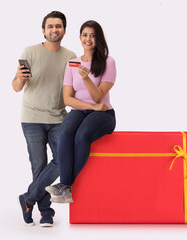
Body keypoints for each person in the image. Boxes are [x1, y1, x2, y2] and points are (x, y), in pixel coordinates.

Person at [12, 11, 76, 226]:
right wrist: (19, 78)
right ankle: (46, 212)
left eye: (58, 26)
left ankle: (28, 199)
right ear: (43, 30)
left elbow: (74, 89)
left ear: (64, 30)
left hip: (59, 117)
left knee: (62, 160)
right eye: (50, 26)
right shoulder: (30, 52)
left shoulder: (70, 57)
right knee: (38, 165)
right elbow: (16, 87)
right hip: (32, 117)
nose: (54, 30)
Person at [45, 20, 116, 203]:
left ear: (99, 39)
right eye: (85, 35)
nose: (88, 39)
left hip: (103, 113)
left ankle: (65, 186)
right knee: (66, 132)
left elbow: (98, 97)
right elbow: (67, 99)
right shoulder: (72, 64)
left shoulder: (108, 62)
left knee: (83, 135)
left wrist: (86, 79)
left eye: (93, 35)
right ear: (79, 38)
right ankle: (65, 188)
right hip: (82, 110)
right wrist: (90, 107)